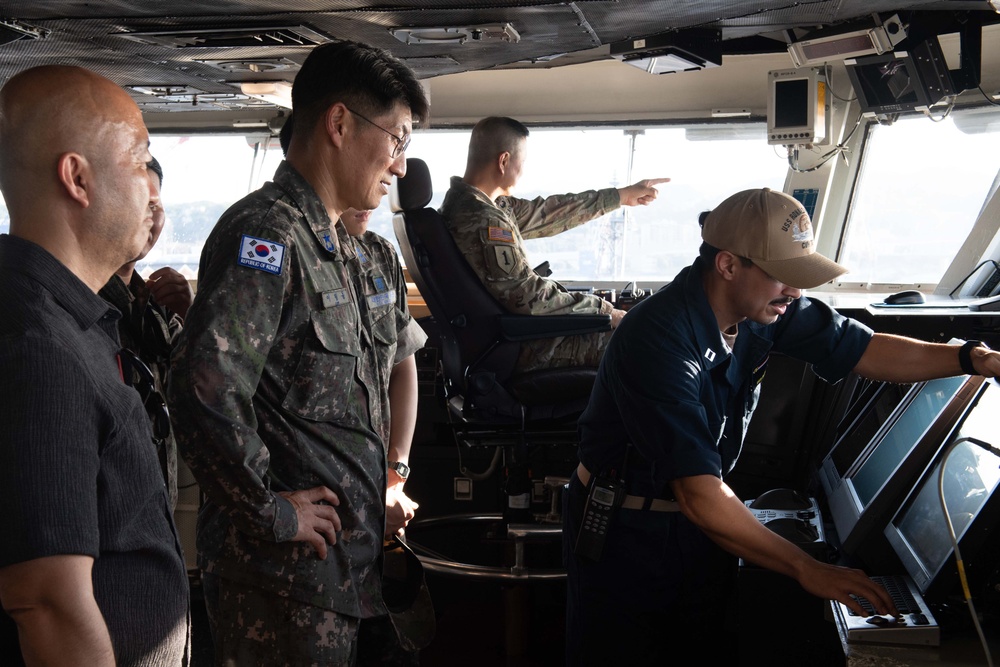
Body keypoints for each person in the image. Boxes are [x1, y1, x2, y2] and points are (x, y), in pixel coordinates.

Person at [562, 187, 1000, 665]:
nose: (795, 290)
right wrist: (808, 568)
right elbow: (698, 493)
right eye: (783, 276)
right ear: (728, 265)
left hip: (699, 527)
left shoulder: (762, 309)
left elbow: (866, 349)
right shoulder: (659, 338)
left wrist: (972, 359)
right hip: (629, 529)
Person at [167, 40, 429, 665]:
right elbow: (203, 386)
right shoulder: (269, 234)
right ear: (339, 123)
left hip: (347, 573)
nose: (398, 164)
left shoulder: (345, 248)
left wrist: (390, 476)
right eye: (397, 139)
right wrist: (269, 511)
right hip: (281, 580)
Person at [0, 65, 190, 666]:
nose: (151, 191)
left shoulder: (74, 320)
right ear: (77, 178)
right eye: (139, 161)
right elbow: (46, 602)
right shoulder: (38, 345)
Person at [439, 116, 669, 372]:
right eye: (522, 162)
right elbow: (529, 296)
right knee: (648, 344)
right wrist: (603, 309)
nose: (523, 170)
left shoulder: (475, 206)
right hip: (523, 344)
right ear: (504, 161)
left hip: (512, 335)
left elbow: (550, 213)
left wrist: (621, 196)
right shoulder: (482, 218)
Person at [99, 157, 194, 510]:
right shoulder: (82, 303)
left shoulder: (155, 304)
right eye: (142, 203)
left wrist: (190, 313)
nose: (151, 218)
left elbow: (201, 385)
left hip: (155, 505)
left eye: (158, 206)